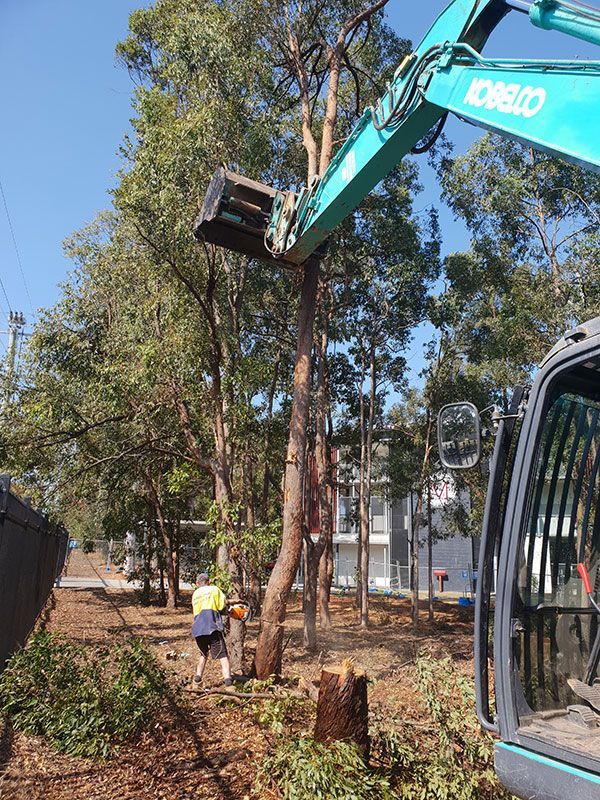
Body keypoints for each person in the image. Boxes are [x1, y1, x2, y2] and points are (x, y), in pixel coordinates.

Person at [191, 572, 233, 688]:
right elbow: (221, 606)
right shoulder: (214, 589)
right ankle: (228, 682)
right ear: (209, 582)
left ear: (197, 583)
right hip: (212, 627)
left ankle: (197, 680)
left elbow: (196, 612)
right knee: (223, 654)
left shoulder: (195, 594)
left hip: (198, 628)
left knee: (203, 654)